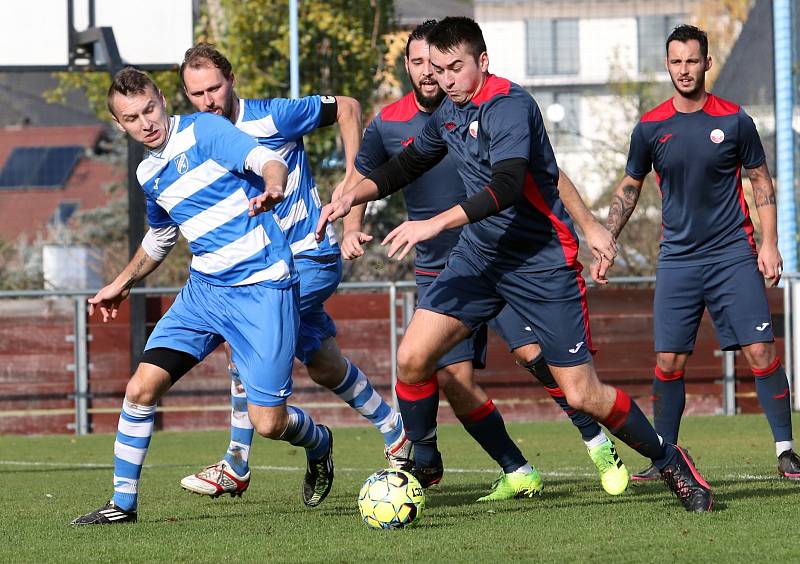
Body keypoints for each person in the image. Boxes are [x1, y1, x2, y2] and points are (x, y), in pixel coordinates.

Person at [318, 17, 713, 512]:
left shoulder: (510, 107)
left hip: (540, 261)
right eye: (438, 70)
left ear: (482, 62)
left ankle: (670, 459)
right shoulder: (449, 113)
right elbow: (405, 165)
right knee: (413, 358)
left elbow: (506, 188)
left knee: (583, 393)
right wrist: (348, 199)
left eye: (456, 68)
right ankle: (421, 461)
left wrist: (433, 223)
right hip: (479, 257)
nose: (446, 79)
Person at [71, 68, 334, 525]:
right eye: (132, 118)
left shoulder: (207, 130)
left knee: (269, 423)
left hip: (262, 289)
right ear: (120, 125)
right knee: (141, 387)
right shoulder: (147, 171)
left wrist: (274, 184)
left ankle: (320, 442)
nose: (146, 123)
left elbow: (264, 160)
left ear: (162, 99)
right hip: (204, 293)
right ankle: (122, 505)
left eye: (150, 108)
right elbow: (160, 237)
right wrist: (122, 281)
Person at [175, 44, 410, 498]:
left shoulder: (272, 117)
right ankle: (393, 429)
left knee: (241, 338)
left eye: (214, 88)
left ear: (232, 80)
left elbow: (349, 108)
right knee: (323, 364)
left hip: (308, 257)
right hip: (261, 269)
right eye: (196, 93)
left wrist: (352, 189)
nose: (208, 101)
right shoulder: (198, 138)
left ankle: (236, 464)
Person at [598, 24, 800, 482]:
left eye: (692, 61)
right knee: (668, 361)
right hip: (678, 260)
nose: (684, 70)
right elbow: (630, 187)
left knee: (761, 350)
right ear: (667, 65)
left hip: (732, 254)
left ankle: (787, 451)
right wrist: (608, 237)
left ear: (707, 63)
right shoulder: (649, 127)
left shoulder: (735, 120)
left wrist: (769, 243)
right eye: (676, 61)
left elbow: (761, 181)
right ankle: (665, 456)